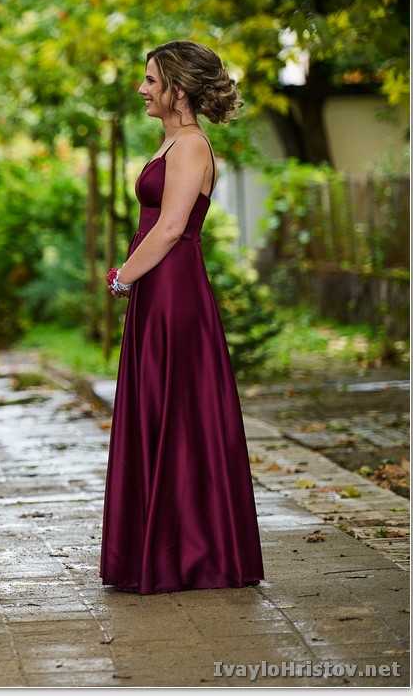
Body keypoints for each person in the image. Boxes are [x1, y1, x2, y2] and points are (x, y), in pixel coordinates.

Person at [100, 40, 265, 594]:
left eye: (151, 80)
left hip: (174, 292)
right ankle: (160, 548)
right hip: (159, 289)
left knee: (179, 413)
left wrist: (124, 276)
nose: (141, 89)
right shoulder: (171, 141)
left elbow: (171, 228)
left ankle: (192, 555)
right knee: (161, 411)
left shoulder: (192, 144)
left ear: (179, 88)